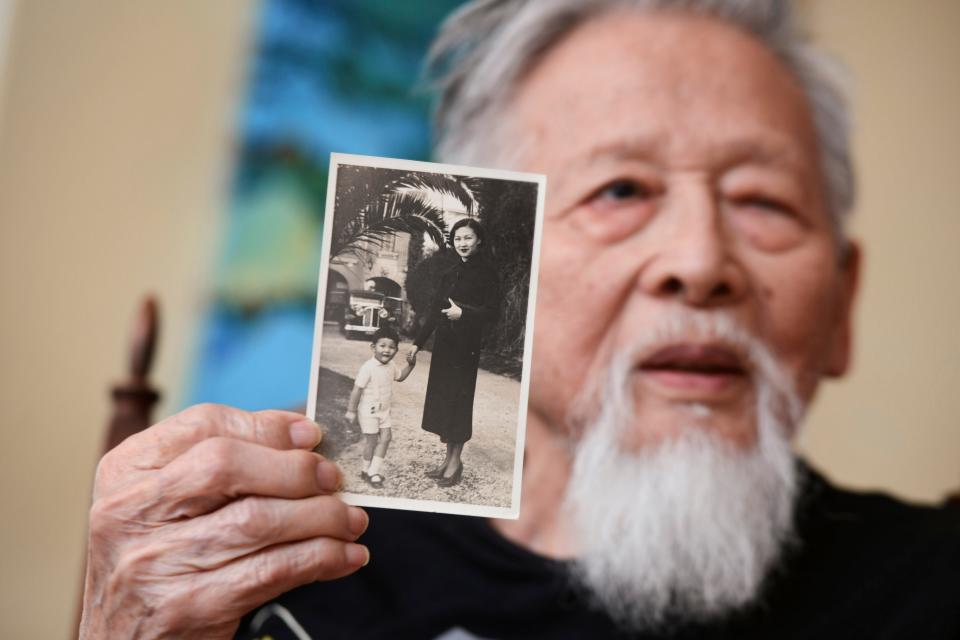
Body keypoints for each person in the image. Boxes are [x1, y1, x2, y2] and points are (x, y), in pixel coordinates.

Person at [79, 1, 960, 639]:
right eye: (621, 190)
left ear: (843, 304)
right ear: (507, 252)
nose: (701, 262)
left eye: (762, 201)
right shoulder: (289, 580)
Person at [409, 217, 501, 487]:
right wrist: (416, 343)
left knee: (459, 404)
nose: (462, 243)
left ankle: (455, 463)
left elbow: (494, 313)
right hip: (444, 348)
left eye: (468, 238)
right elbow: (434, 314)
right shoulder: (448, 273)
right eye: (458, 238)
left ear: (479, 240)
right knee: (445, 402)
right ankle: (448, 461)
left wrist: (464, 314)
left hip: (465, 349)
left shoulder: (487, 273)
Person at [344, 327, 416, 487]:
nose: (387, 350)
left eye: (391, 347)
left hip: (384, 411)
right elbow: (357, 389)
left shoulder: (391, 366)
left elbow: (400, 377)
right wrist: (351, 410)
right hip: (369, 411)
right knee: (371, 442)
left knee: (386, 438)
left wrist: (410, 365)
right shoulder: (368, 367)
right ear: (373, 347)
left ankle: (372, 472)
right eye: (382, 345)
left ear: (396, 350)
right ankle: (366, 470)